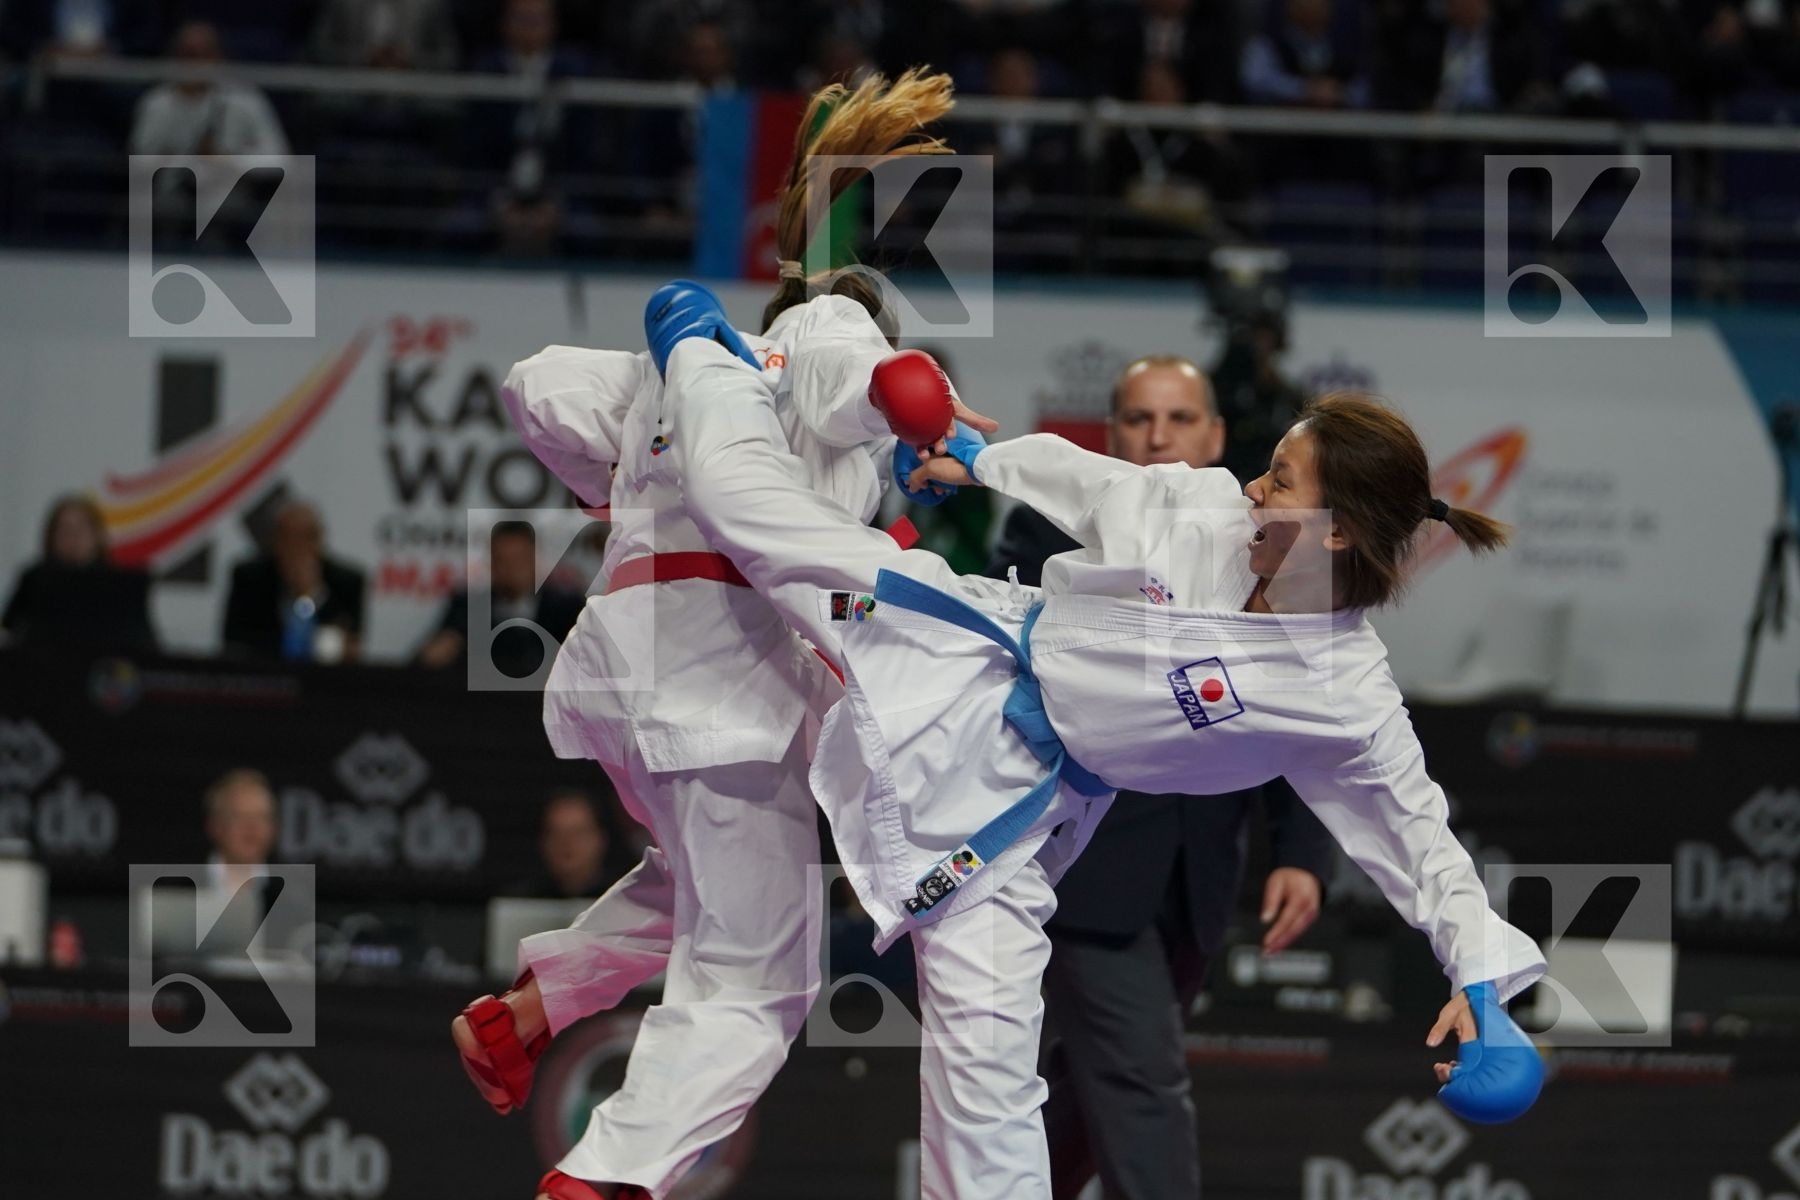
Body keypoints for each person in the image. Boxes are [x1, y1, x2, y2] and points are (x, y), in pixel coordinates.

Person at [652, 317, 1551, 1193]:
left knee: (989, 1072)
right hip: (970, 643)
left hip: (1029, 800)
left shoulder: (1342, 696)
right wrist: (978, 462)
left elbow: (1418, 836)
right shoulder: (1209, 511)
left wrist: (1480, 983)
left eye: (1279, 481)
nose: (1250, 490)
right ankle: (706, 354)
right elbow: (1093, 485)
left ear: (1339, 532)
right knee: (756, 521)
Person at [453, 70, 997, 1200]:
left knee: (706, 879)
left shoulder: (695, 364)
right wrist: (926, 408)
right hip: (716, 685)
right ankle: (601, 1180)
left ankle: (534, 1009)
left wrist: (625, 480)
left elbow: (533, 385)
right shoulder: (828, 334)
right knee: (757, 979)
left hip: (618, 665)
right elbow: (874, 375)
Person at [988, 356, 1335, 1200]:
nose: (1158, 436)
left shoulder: (1256, 546)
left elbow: (1288, 697)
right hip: (1077, 862)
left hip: (1195, 879)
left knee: (1094, 1086)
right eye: (1140, 420)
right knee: (1144, 1084)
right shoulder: (1047, 533)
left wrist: (1301, 851)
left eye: (1179, 420)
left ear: (1213, 438)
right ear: (1112, 437)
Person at [414, 519, 586, 676]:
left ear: (534, 559)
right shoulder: (467, 607)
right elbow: (426, 658)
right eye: (503, 561)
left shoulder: (566, 609)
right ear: (491, 564)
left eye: (519, 560)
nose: (512, 569)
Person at [3, 493, 156, 652]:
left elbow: (142, 643)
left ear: (98, 535)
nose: (74, 537)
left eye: (82, 528)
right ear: (52, 536)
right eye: (65, 529)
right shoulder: (35, 579)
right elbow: (11, 633)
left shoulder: (123, 585)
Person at [221, 500, 366, 663]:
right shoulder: (249, 579)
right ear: (276, 541)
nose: (298, 547)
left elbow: (345, 650)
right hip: (266, 678)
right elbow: (237, 643)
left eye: (307, 538)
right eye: (289, 538)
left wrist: (313, 595)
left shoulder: (347, 582)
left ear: (320, 542)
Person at [501, 790, 631, 900]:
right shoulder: (520, 901)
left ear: (600, 839)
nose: (567, 843)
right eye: (555, 833)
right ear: (542, 841)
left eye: (578, 833)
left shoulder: (627, 899)